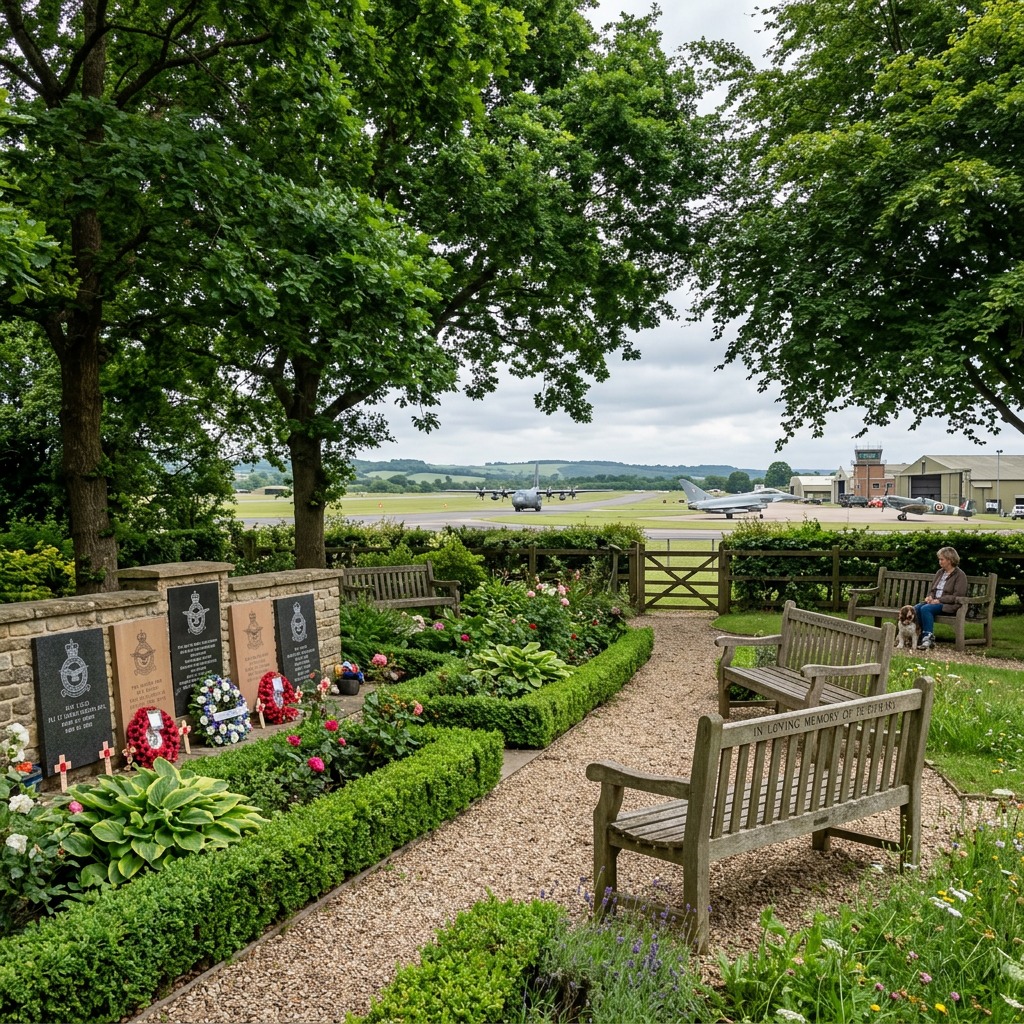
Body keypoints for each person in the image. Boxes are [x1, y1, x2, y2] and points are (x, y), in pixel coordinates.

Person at [914, 546, 968, 649]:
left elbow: (958, 597)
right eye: (939, 559)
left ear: (950, 560)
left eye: (942, 559)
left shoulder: (960, 576)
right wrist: (929, 597)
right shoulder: (940, 572)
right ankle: (919, 635)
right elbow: (933, 590)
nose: (940, 561)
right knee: (916, 608)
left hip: (948, 605)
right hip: (935, 602)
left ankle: (928, 638)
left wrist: (939, 600)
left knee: (926, 609)